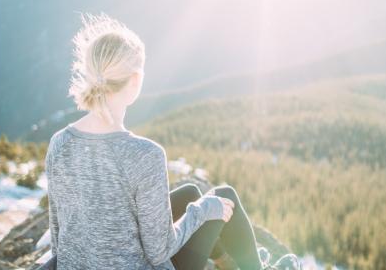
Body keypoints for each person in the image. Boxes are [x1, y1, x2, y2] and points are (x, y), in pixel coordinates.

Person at [44, 14, 300, 270]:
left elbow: (59, 239)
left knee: (189, 192)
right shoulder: (145, 154)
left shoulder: (59, 144)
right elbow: (159, 252)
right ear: (135, 80)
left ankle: (226, 264)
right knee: (222, 197)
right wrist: (204, 210)